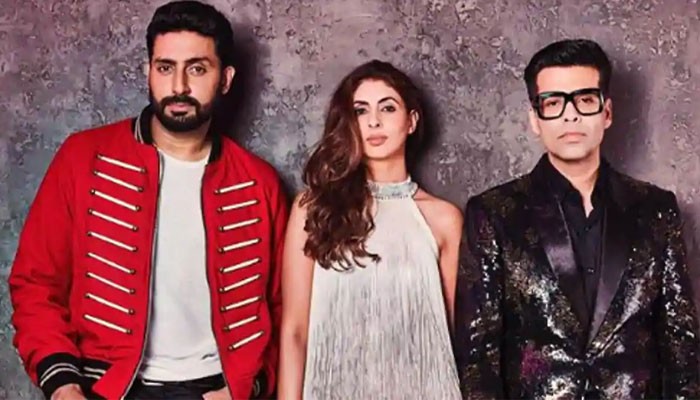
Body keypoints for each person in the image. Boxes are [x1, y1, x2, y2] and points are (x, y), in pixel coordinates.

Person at [9, 1, 287, 399]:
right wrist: (63, 385)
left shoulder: (259, 183)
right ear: (148, 72)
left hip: (217, 390)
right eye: (165, 68)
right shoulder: (83, 158)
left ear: (225, 79)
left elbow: (282, 308)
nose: (179, 87)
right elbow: (36, 283)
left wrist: (247, 387)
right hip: (105, 387)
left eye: (197, 69)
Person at [455, 38, 700, 399]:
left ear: (607, 112)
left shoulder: (655, 208)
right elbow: (478, 357)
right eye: (553, 103)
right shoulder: (494, 213)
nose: (570, 115)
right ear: (535, 119)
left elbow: (682, 345)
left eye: (585, 100)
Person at [277, 60, 462, 400]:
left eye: (387, 108)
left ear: (411, 121)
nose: (374, 121)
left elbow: (456, 336)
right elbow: (295, 331)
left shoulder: (444, 219)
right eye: (360, 110)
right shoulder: (314, 208)